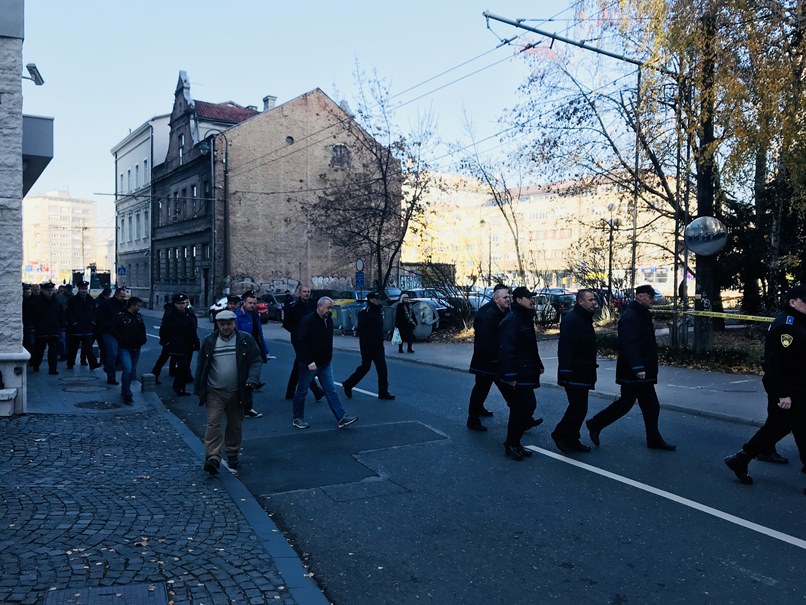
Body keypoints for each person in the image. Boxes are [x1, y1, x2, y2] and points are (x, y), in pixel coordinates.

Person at [724, 285, 806, 489]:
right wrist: (783, 393)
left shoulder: (798, 322)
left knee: (778, 427)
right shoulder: (787, 325)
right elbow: (777, 362)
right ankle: (741, 458)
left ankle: (741, 458)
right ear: (793, 302)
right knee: (799, 427)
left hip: (797, 386)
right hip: (788, 388)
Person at [585, 284, 676, 451]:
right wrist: (638, 367)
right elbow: (629, 344)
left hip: (642, 369)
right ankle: (595, 424)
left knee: (651, 405)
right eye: (650, 297)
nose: (653, 301)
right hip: (634, 371)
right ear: (640, 297)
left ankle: (654, 439)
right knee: (626, 403)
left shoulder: (641, 314)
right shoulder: (631, 316)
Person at [195, 310, 263, 475]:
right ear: (217, 324)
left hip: (237, 391)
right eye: (222, 324)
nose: (225, 327)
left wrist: (252, 380)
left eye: (229, 323)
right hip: (214, 391)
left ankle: (232, 453)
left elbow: (256, 360)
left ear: (234, 323)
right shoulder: (209, 341)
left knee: (235, 424)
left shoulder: (245, 340)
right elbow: (201, 366)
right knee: (213, 423)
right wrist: (199, 388)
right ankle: (213, 458)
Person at [291, 297, 358, 429]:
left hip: (325, 363)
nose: (330, 310)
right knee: (302, 391)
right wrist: (309, 361)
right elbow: (301, 343)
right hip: (309, 364)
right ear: (320, 306)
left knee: (331, 390)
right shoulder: (308, 321)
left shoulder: (329, 321)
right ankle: (297, 418)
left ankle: (341, 417)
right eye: (328, 307)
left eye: (331, 307)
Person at [499, 287, 545, 461]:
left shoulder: (525, 318)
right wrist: (510, 375)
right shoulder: (512, 320)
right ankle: (511, 444)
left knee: (527, 406)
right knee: (521, 408)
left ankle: (515, 443)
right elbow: (507, 349)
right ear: (518, 300)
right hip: (518, 371)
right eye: (528, 298)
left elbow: (530, 346)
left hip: (527, 369)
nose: (531, 300)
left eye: (531, 297)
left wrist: (538, 363)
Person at [552, 289, 599, 453]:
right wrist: (566, 371)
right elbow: (565, 348)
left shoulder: (584, 318)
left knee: (580, 407)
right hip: (574, 372)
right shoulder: (572, 320)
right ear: (580, 302)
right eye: (590, 300)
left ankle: (572, 438)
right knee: (577, 407)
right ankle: (561, 433)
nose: (594, 302)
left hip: (584, 370)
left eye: (594, 300)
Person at [466, 285, 512, 432]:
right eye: (505, 297)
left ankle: (523, 417)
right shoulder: (488, 314)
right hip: (487, 361)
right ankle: (472, 419)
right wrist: (495, 360)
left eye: (509, 296)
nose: (508, 299)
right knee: (482, 390)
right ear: (496, 298)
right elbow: (486, 341)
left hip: (497, 360)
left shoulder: (504, 311)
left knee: (507, 390)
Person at [342, 291, 395, 400]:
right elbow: (361, 330)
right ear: (370, 300)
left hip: (379, 346)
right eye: (376, 298)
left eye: (378, 298)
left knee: (382, 369)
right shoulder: (365, 313)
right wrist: (369, 342)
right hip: (368, 346)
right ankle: (348, 384)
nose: (378, 300)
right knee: (365, 368)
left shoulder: (378, 311)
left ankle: (383, 392)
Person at [282, 285, 325, 401]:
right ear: (299, 293)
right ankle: (315, 390)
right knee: (304, 361)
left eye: (308, 291)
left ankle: (291, 391)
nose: (306, 294)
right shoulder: (294, 307)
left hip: (312, 338)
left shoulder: (314, 305)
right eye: (304, 292)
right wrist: (297, 331)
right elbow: (286, 323)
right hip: (298, 339)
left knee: (300, 364)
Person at [235, 290, 269, 417]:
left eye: (254, 303)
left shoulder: (255, 315)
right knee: (241, 380)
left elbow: (259, 334)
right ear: (244, 303)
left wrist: (265, 350)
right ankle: (240, 406)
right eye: (250, 303)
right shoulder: (238, 316)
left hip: (255, 352)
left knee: (251, 381)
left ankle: (247, 407)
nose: (252, 305)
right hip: (242, 352)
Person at [159, 293, 200, 396]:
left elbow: (193, 329)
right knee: (181, 366)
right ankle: (178, 387)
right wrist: (167, 343)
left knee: (185, 366)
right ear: (175, 304)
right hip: (176, 344)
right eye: (179, 303)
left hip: (188, 344)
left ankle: (180, 387)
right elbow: (164, 330)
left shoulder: (188, 313)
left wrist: (196, 343)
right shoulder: (171, 314)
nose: (182, 305)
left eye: (183, 303)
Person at [114, 296, 147, 405]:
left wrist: (143, 340)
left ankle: (126, 389)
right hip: (124, 347)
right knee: (127, 369)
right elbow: (115, 331)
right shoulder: (121, 316)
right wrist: (122, 340)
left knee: (132, 370)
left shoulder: (139, 317)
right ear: (132, 305)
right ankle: (126, 393)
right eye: (138, 306)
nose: (139, 308)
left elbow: (143, 330)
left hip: (136, 347)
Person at [31, 282, 65, 375]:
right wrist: (33, 327)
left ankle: (52, 369)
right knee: (39, 350)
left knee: (53, 351)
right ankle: (36, 365)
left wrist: (61, 327)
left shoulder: (56, 302)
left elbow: (61, 315)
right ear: (43, 290)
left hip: (54, 330)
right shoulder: (37, 302)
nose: (49, 292)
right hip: (41, 330)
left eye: (51, 290)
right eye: (47, 290)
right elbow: (32, 316)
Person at [65, 281, 101, 370]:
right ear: (78, 289)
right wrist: (74, 323)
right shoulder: (72, 300)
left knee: (88, 348)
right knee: (73, 349)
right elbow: (69, 313)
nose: (84, 291)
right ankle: (70, 363)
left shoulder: (91, 300)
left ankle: (93, 364)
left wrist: (93, 322)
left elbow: (95, 313)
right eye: (82, 289)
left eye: (85, 289)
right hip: (75, 329)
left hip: (87, 327)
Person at [97, 287, 128, 385]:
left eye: (124, 296)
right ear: (116, 294)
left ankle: (109, 367)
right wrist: (105, 328)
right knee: (113, 354)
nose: (123, 298)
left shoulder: (125, 305)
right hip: (109, 332)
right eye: (121, 296)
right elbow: (99, 317)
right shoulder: (106, 304)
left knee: (119, 355)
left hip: (121, 333)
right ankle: (111, 377)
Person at [22, 283, 36, 358]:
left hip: (30, 324)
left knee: (31, 342)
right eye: (27, 292)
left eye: (29, 292)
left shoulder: (33, 301)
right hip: (26, 324)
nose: (28, 294)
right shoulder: (23, 301)